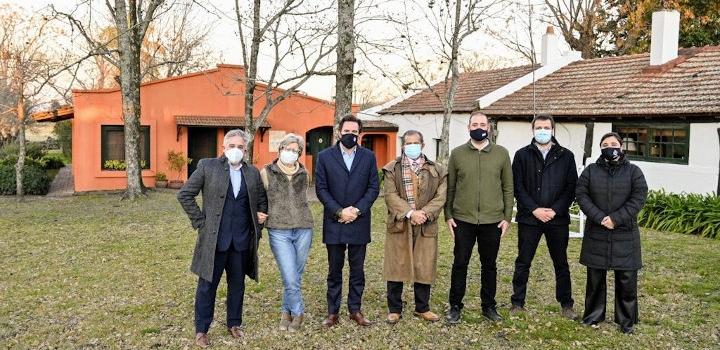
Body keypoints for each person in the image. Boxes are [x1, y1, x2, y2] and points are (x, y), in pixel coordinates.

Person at [177, 129, 268, 348]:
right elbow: (185, 194)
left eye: (240, 147)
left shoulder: (253, 172)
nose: (236, 150)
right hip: (215, 241)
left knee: (237, 284)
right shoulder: (207, 166)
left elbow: (262, 200)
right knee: (207, 286)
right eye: (232, 146)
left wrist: (260, 215)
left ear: (245, 150)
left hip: (241, 240)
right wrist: (200, 222)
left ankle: (234, 323)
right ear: (224, 148)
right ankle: (201, 330)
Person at [444, 111, 514, 324]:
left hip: (492, 220)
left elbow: (508, 187)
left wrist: (507, 217)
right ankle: (455, 306)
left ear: (489, 127)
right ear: (468, 127)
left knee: (489, 265)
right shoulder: (457, 154)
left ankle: (489, 306)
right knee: (460, 263)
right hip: (463, 219)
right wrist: (448, 215)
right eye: (474, 123)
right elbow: (451, 187)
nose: (479, 127)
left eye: (482, 123)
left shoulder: (501, 153)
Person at [576, 132, 648, 334]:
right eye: (605, 144)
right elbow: (581, 195)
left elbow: (638, 197)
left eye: (614, 143)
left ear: (621, 147)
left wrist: (616, 218)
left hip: (624, 232)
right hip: (596, 231)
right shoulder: (590, 171)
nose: (610, 146)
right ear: (601, 148)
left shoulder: (634, 172)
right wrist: (599, 217)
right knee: (595, 278)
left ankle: (626, 320)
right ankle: (593, 315)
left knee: (626, 279)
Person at [510, 115, 578, 319]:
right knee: (523, 261)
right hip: (530, 218)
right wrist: (534, 209)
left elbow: (571, 187)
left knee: (561, 263)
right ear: (532, 130)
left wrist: (555, 210)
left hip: (557, 219)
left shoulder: (566, 156)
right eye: (538, 127)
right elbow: (517, 186)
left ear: (553, 130)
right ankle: (517, 302)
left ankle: (566, 304)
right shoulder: (522, 155)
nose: (542, 131)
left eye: (546, 127)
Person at [315, 115, 380, 327]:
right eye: (347, 131)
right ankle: (333, 312)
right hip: (335, 221)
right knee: (334, 270)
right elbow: (321, 189)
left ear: (359, 134)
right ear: (338, 132)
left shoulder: (369, 157)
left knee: (357, 270)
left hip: (359, 221)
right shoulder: (324, 156)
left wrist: (357, 210)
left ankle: (355, 309)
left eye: (354, 132)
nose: (350, 135)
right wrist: (339, 211)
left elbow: (373, 187)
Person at [382, 130, 447, 324]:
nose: (412, 146)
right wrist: (410, 213)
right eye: (408, 143)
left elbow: (441, 196)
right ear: (403, 146)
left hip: (426, 224)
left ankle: (422, 307)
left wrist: (424, 213)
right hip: (400, 222)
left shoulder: (437, 169)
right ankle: (394, 308)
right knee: (396, 263)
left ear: (423, 144)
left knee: (424, 263)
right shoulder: (392, 168)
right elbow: (390, 195)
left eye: (415, 142)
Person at [260, 133, 314, 332]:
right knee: (289, 276)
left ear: (299, 153)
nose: (291, 153)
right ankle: (298, 312)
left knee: (295, 275)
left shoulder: (304, 173)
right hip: (278, 230)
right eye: (287, 149)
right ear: (280, 150)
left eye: (295, 150)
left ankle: (286, 311)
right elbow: (260, 198)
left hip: (303, 228)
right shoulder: (266, 172)